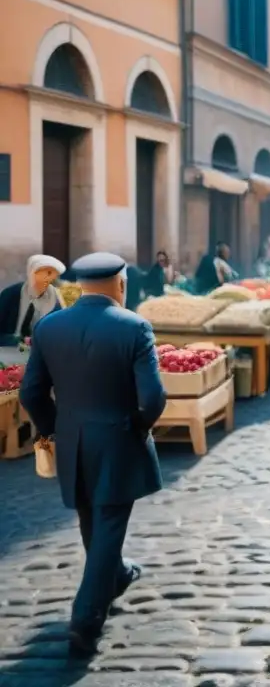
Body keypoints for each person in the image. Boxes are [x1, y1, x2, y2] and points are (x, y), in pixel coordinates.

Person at [19, 252, 166, 657]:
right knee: (109, 521)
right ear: (121, 283)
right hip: (118, 437)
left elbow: (31, 391)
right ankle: (85, 619)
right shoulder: (134, 326)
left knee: (92, 515)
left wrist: (53, 428)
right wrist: (137, 426)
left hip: (72, 439)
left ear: (80, 285)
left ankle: (116, 574)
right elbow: (153, 397)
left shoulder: (49, 327)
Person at [0, 255, 67, 344]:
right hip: (11, 350)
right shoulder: (11, 294)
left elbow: (60, 331)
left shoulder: (54, 298)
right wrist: (22, 340)